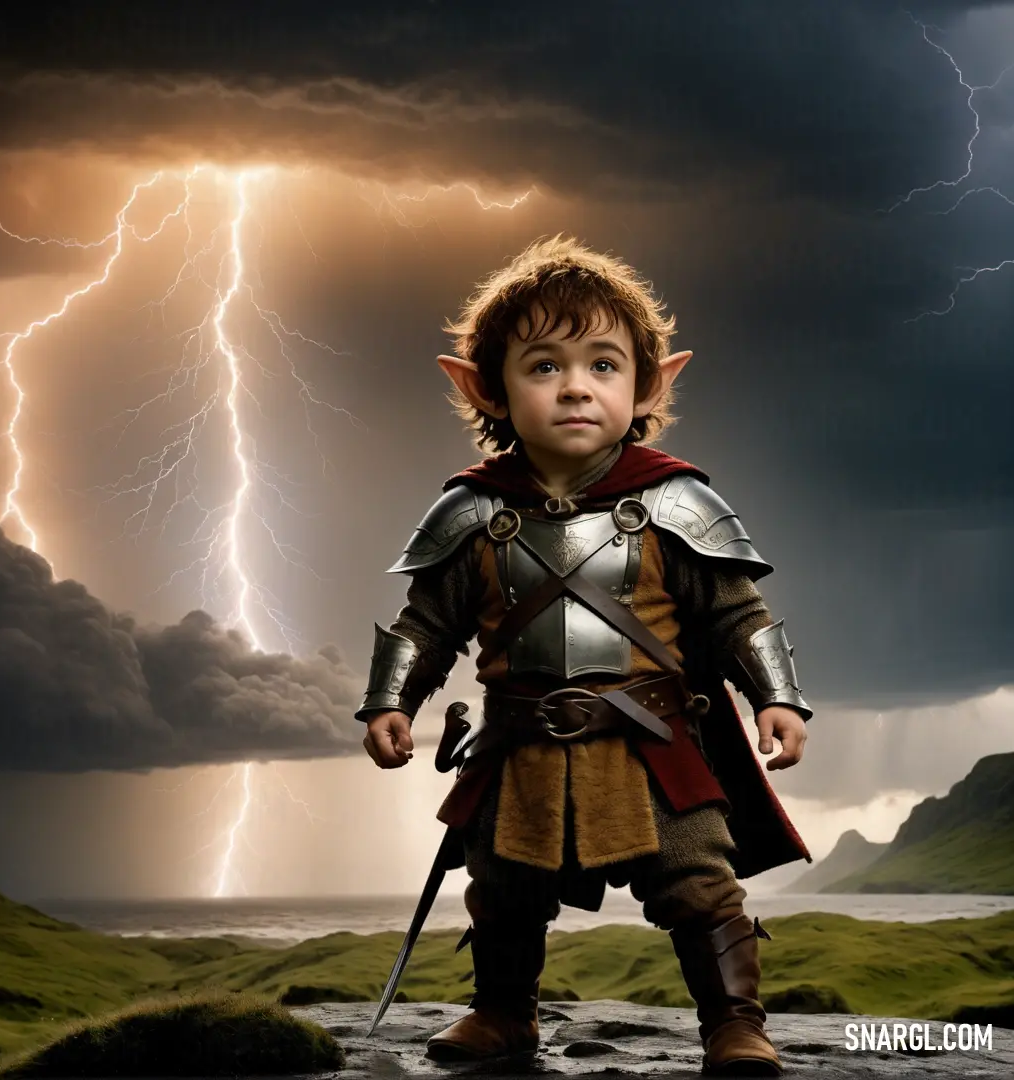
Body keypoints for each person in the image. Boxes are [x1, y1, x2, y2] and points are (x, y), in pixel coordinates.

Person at [356, 235, 812, 1076]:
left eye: (604, 364)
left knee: (698, 887)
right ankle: (503, 1014)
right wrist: (390, 701)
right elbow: (425, 624)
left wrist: (777, 698)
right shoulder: (471, 513)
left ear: (651, 382)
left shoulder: (680, 503)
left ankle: (734, 1025)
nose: (574, 386)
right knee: (502, 888)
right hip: (520, 748)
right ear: (484, 385)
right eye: (543, 366)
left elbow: (737, 614)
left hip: (655, 747)